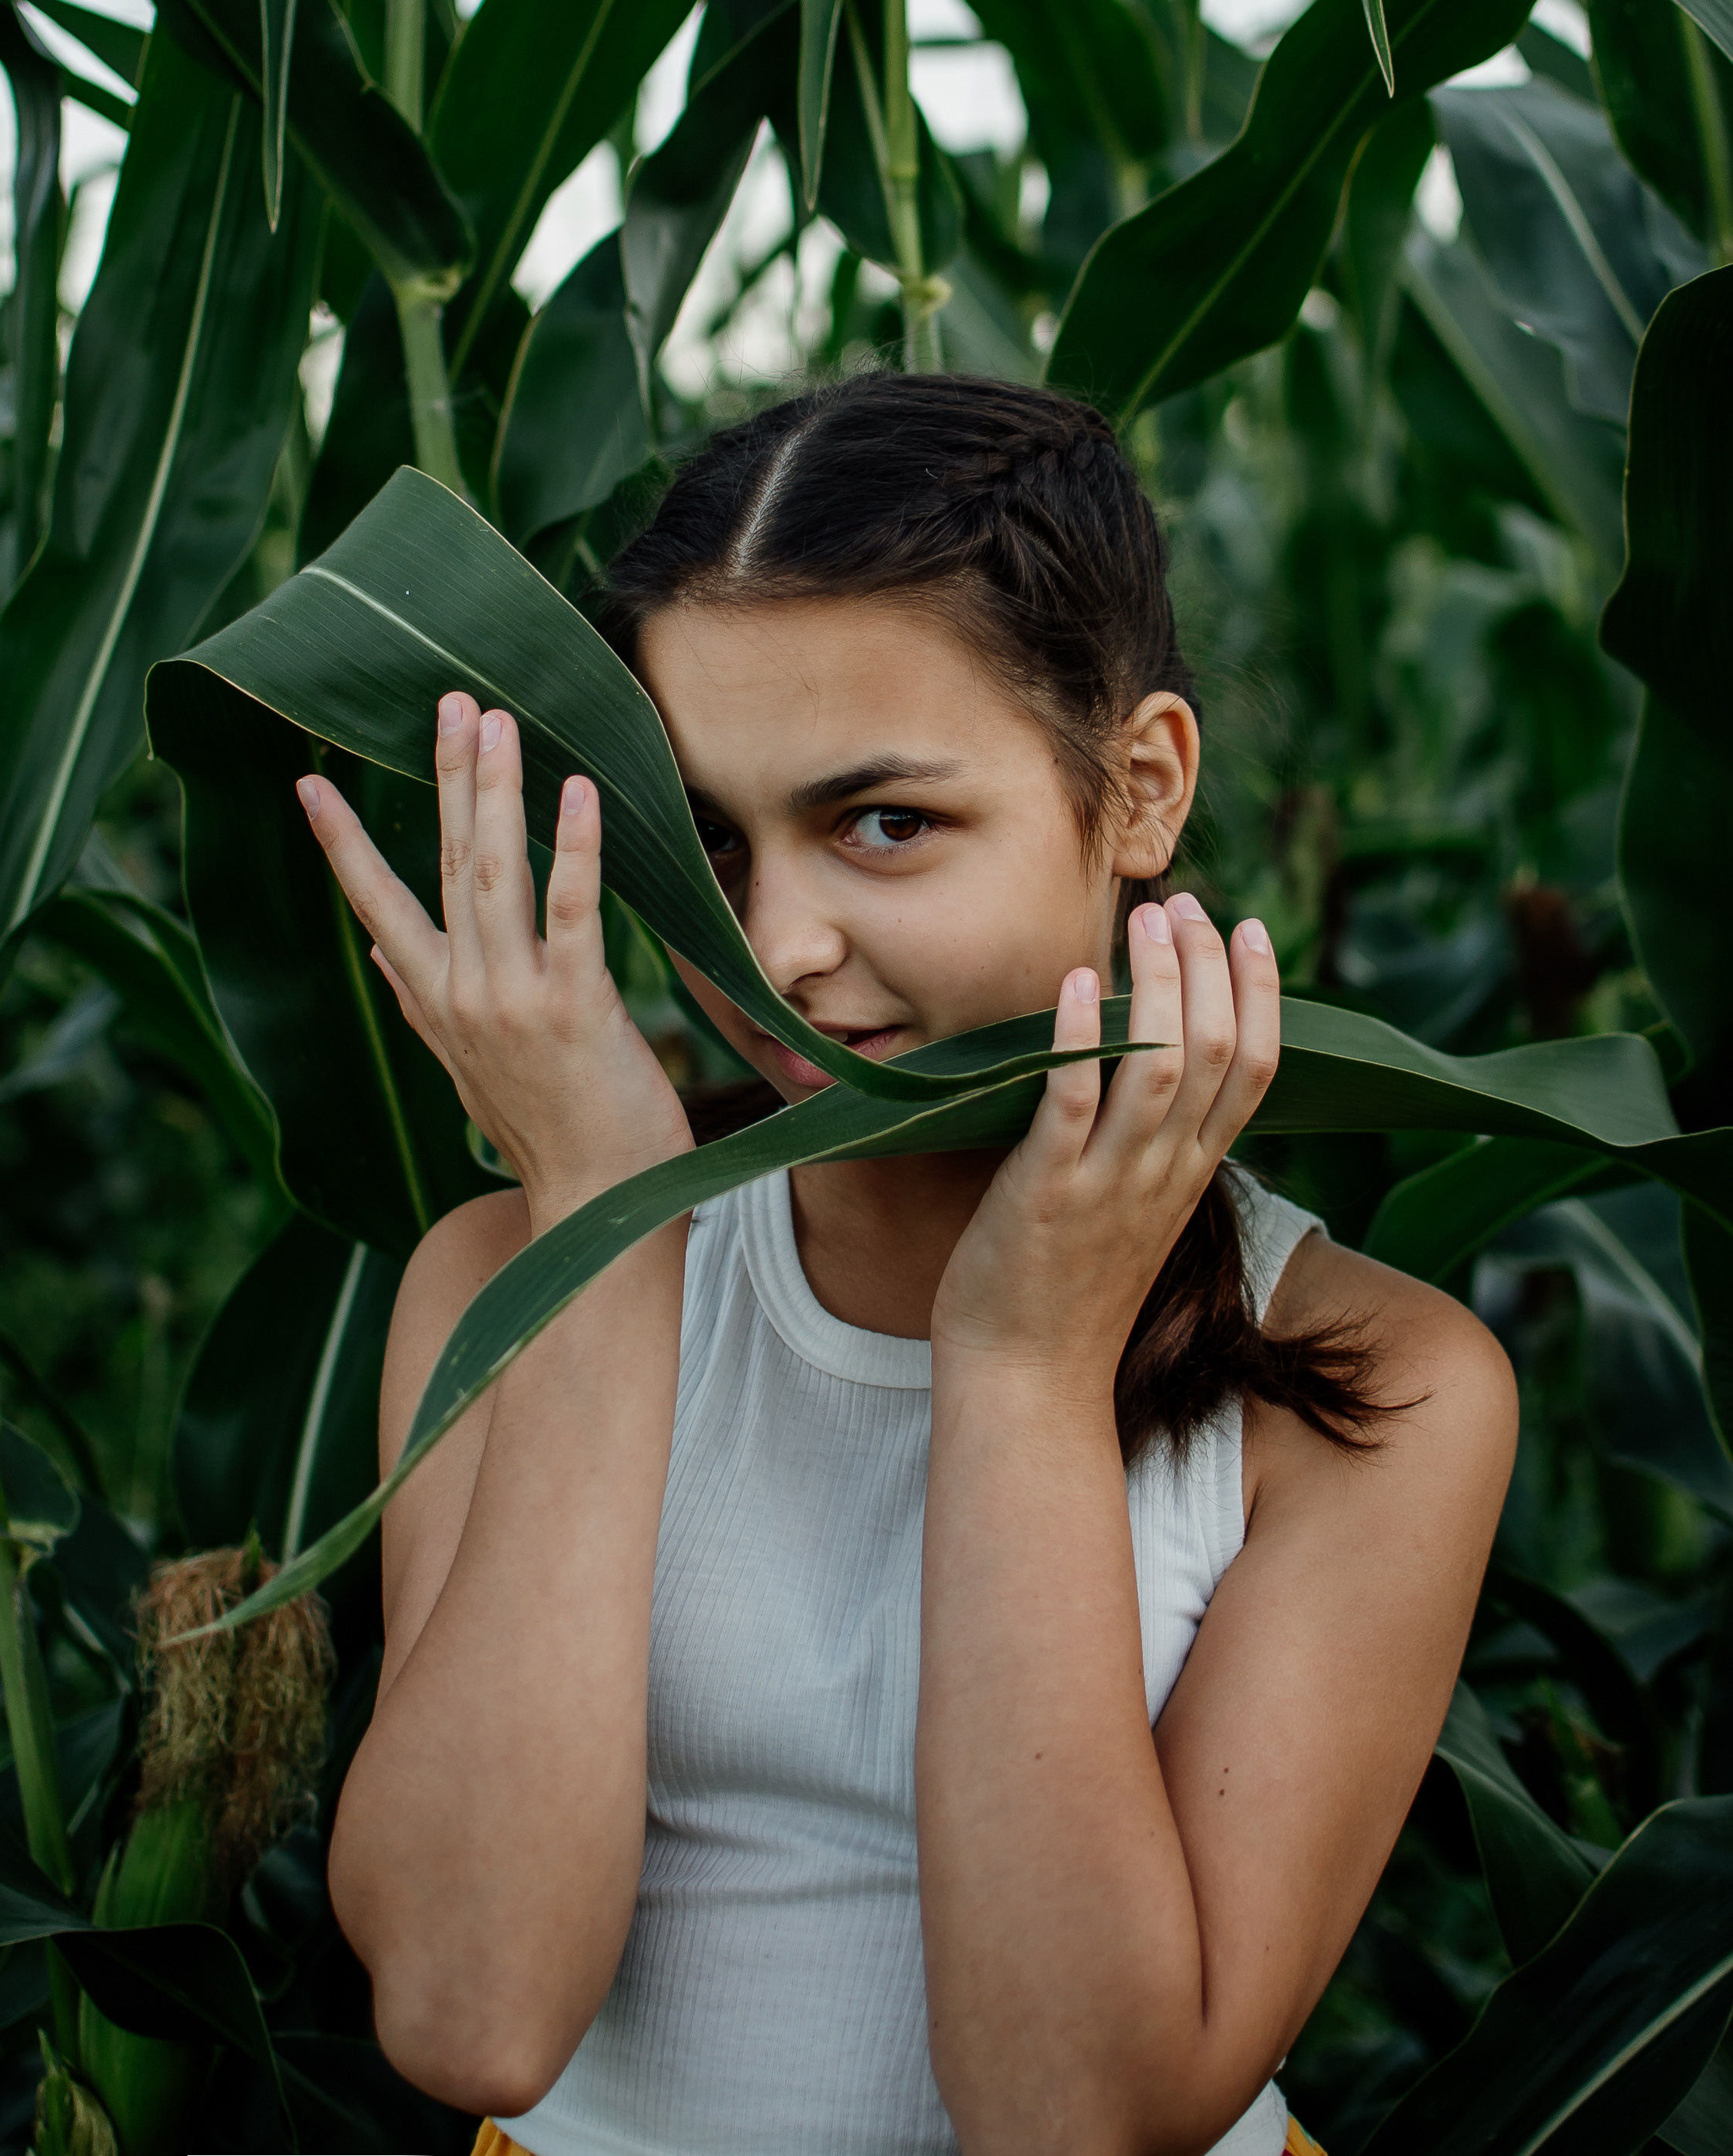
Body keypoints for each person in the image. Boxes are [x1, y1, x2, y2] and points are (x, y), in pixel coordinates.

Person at [299, 374, 1518, 2156]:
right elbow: (473, 2012)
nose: (777, 947)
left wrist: (1021, 1368)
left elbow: (1077, 2114)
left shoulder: (1367, 1382)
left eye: (884, 823)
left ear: (1139, 788)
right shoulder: (504, 1262)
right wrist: (603, 1227)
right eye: (706, 840)